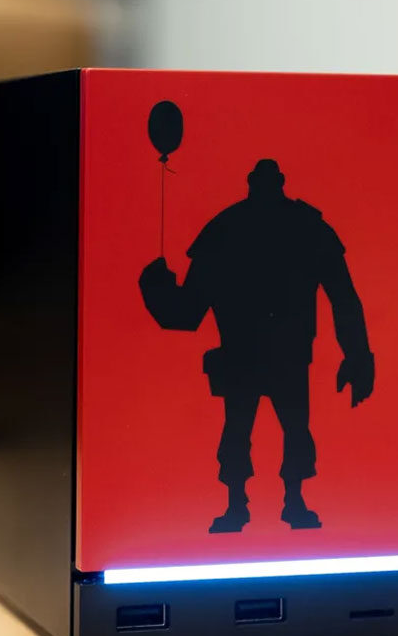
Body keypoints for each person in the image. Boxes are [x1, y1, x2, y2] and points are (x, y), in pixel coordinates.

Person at [139, 159, 373, 532]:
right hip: (258, 356)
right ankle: (260, 504)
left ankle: (266, 503)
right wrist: (358, 355)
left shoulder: (229, 229)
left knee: (278, 429)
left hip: (269, 355)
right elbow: (187, 313)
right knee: (259, 429)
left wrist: (358, 356)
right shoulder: (302, 228)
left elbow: (186, 313)